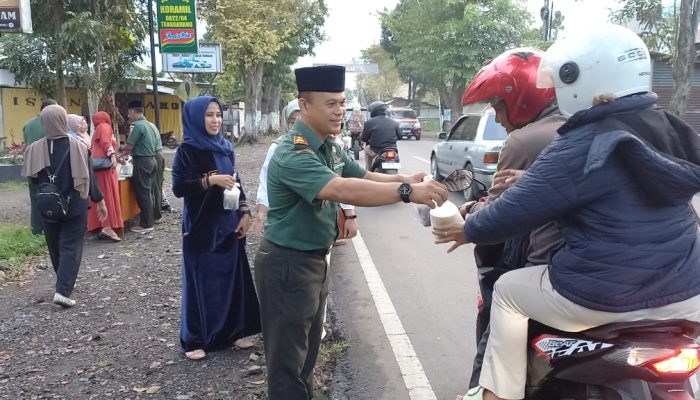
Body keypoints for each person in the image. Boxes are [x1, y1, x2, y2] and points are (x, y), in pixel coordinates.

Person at [433, 24, 700, 400]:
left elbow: (509, 215)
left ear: (583, 78)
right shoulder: (669, 128)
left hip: (603, 296)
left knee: (508, 291)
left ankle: (496, 394)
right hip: (687, 292)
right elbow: (620, 184)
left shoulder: (582, 141)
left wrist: (467, 229)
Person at [254, 65, 448, 400]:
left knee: (306, 360)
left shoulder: (328, 147)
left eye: (342, 102)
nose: (340, 110)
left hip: (314, 262)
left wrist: (407, 180)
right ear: (304, 105)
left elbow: (364, 176)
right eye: (331, 103)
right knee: (287, 368)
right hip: (287, 266)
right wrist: (406, 194)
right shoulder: (293, 152)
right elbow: (342, 188)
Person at [451, 48, 566, 400]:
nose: (498, 118)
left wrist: (465, 223)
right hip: (659, 289)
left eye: (500, 106)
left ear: (523, 99)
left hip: (553, 270)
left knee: (503, 305)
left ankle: (481, 391)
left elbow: (501, 211)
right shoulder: (619, 134)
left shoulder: (526, 140)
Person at [172, 96, 261, 361]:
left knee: (231, 278)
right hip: (201, 227)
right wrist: (208, 180)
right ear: (196, 118)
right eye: (209, 115)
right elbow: (179, 188)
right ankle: (195, 339)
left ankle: (233, 332)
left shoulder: (226, 147)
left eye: (218, 115)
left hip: (228, 223)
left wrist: (245, 212)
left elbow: (237, 181)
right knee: (201, 283)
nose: (215, 120)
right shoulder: (187, 150)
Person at [21, 104, 108, 307]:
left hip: (48, 205)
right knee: (71, 246)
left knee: (55, 246)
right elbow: (90, 178)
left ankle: (63, 282)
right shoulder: (78, 146)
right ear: (63, 120)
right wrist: (100, 201)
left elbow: (33, 181)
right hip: (74, 205)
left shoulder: (33, 149)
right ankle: (63, 290)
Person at [119, 100, 160, 234]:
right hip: (152, 160)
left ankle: (146, 224)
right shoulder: (149, 125)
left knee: (143, 193)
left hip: (142, 162)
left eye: (129, 114)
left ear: (132, 112)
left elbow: (129, 146)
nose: (128, 117)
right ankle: (151, 219)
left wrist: (118, 149)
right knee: (150, 192)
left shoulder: (136, 125)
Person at [87, 111, 124, 242]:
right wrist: (112, 155)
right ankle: (107, 226)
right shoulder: (104, 126)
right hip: (105, 168)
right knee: (106, 195)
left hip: (99, 166)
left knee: (101, 194)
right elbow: (105, 142)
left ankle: (101, 225)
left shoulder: (98, 128)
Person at [23, 99, 57, 235]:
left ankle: (36, 228)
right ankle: (49, 227)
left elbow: (27, 144)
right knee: (49, 195)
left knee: (34, 196)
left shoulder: (28, 124)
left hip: (30, 165)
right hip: (46, 165)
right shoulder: (49, 123)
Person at [360, 101, 401, 170]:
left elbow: (364, 138)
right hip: (392, 151)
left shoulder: (369, 122)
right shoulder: (394, 122)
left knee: (366, 149)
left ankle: (369, 172)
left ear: (374, 111)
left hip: (376, 151)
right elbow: (400, 136)